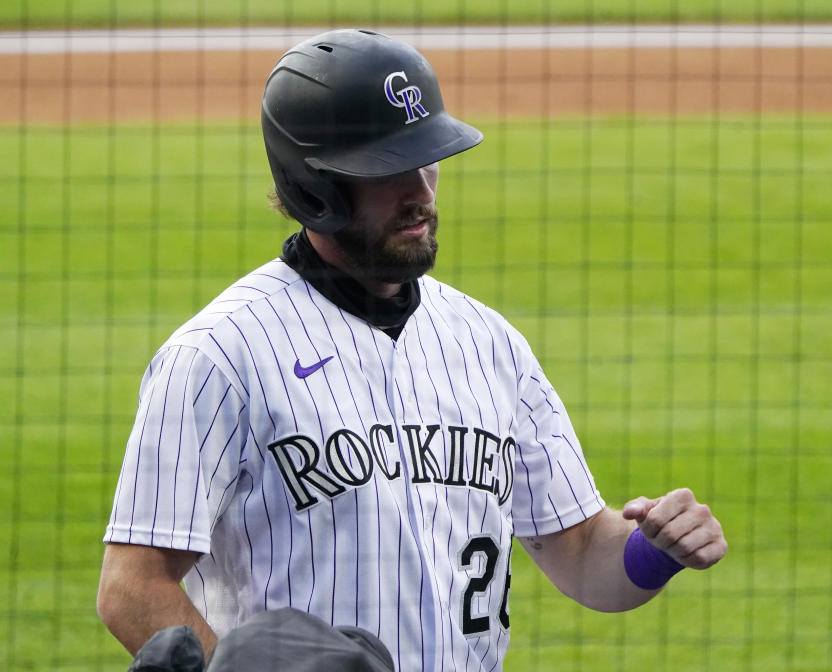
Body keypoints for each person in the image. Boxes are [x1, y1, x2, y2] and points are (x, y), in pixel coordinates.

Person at [97, 29, 727, 672]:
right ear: (315, 186)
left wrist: (657, 548)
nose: (421, 192)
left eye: (427, 160)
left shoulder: (489, 344)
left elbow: (584, 552)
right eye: (388, 171)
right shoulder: (218, 358)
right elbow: (131, 584)